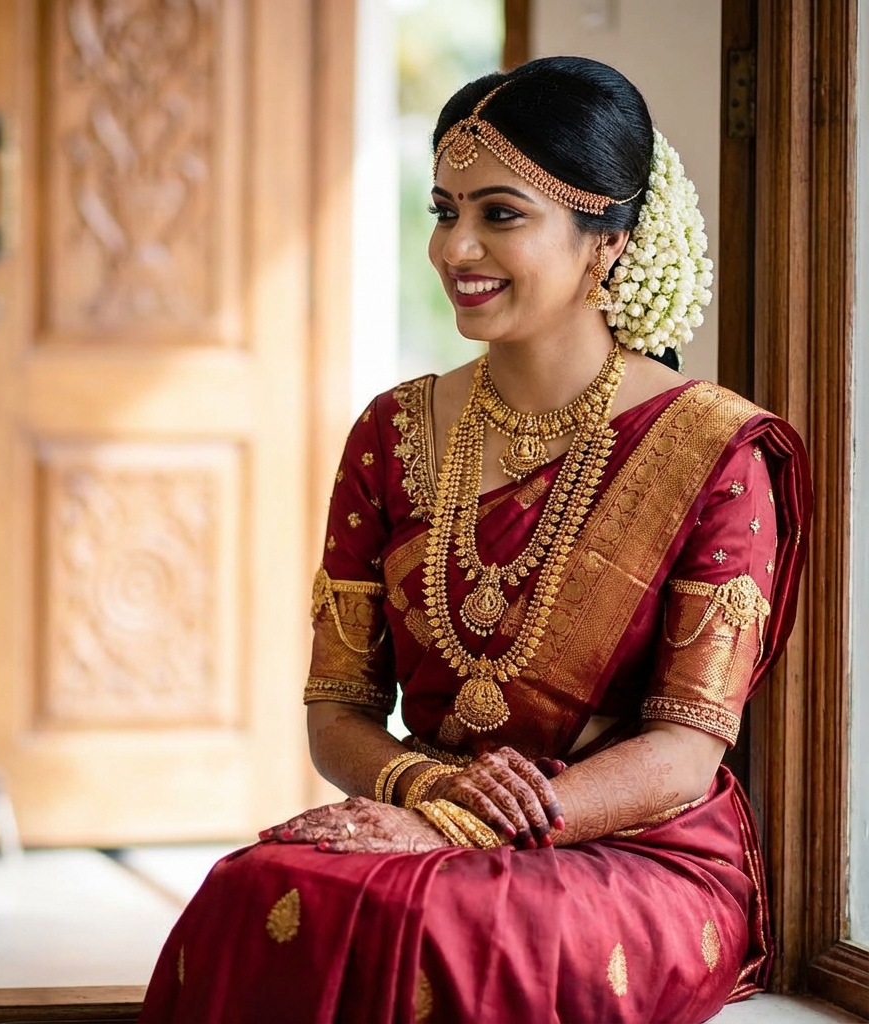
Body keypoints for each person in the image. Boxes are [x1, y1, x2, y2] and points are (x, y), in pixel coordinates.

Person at [140, 57, 810, 1024]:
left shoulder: (708, 451)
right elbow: (337, 712)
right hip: (429, 801)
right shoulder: (391, 432)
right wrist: (427, 790)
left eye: (500, 214)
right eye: (442, 210)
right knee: (257, 888)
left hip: (629, 845)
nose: (457, 246)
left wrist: (466, 825)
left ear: (608, 241)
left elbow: (684, 755)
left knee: (471, 934)